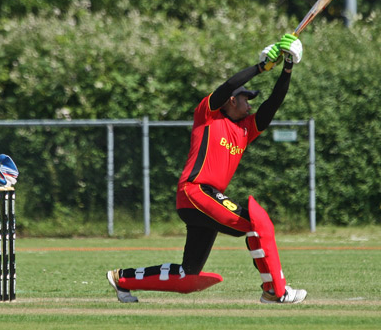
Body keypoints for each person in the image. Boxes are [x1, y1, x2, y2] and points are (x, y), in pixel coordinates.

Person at [106, 33, 308, 304]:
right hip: (195, 191)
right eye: (245, 98)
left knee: (188, 276)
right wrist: (259, 68)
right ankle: (275, 290)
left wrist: (287, 67)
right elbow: (228, 85)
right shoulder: (208, 114)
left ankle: (122, 279)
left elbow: (273, 104)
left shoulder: (245, 129)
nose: (250, 104)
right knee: (254, 223)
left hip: (206, 199)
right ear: (230, 102)